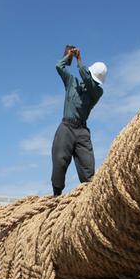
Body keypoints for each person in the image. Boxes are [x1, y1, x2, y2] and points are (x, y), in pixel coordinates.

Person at [51, 45, 107, 196]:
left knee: (88, 169)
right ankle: (56, 195)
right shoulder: (72, 82)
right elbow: (59, 66)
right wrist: (68, 57)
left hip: (82, 131)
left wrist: (79, 60)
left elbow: (87, 79)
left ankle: (89, 197)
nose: (93, 83)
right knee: (59, 162)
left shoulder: (97, 92)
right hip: (66, 127)